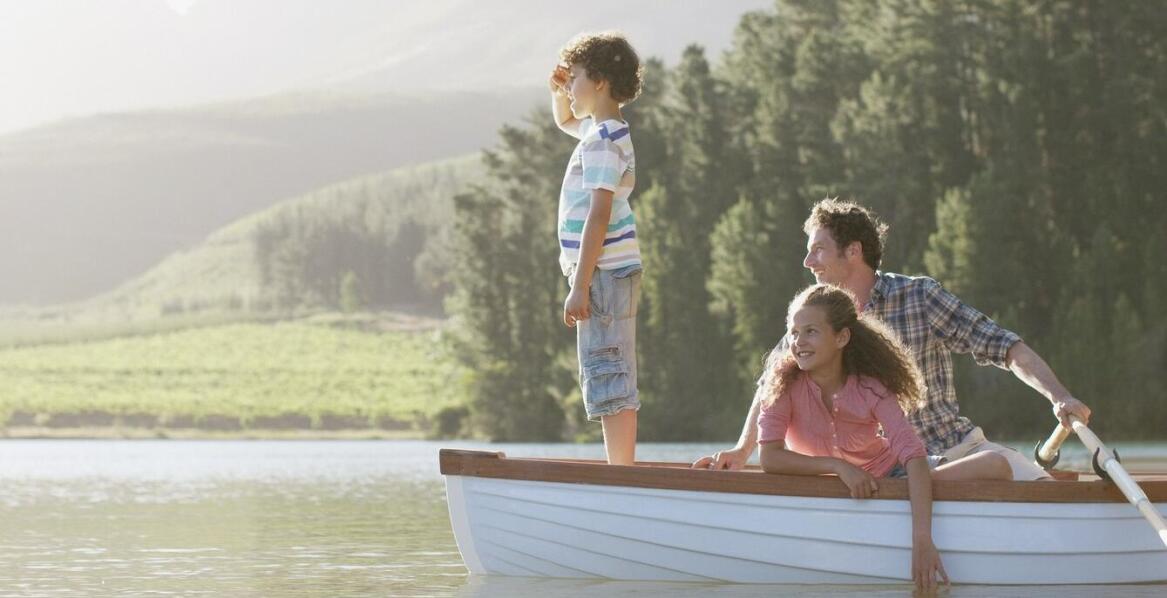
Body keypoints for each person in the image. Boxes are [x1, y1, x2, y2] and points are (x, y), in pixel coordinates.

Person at [697, 199, 1092, 479]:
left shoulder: (919, 296)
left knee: (1023, 476)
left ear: (853, 251)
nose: (807, 262)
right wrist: (742, 451)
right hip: (878, 469)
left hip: (954, 451)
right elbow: (773, 384)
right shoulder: (813, 319)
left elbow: (1005, 347)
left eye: (818, 250)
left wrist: (1059, 396)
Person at [758, 284, 1010, 589]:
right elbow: (770, 456)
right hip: (839, 481)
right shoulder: (783, 383)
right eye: (794, 332)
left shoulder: (870, 388)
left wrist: (921, 538)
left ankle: (907, 492)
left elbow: (913, 458)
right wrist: (839, 467)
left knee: (997, 465)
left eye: (810, 331)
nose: (798, 342)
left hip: (894, 474)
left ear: (841, 337)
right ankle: (910, 492)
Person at [549, 32, 645, 465]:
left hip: (603, 272)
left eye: (577, 78)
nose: (571, 87)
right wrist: (558, 92)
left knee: (608, 366)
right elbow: (566, 121)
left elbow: (599, 215)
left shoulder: (604, 140)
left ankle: (620, 471)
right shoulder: (600, 131)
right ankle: (619, 468)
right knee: (605, 363)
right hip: (603, 272)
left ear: (601, 81)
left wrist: (580, 284)